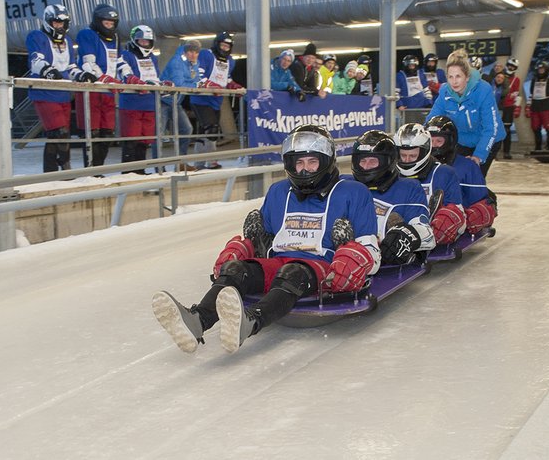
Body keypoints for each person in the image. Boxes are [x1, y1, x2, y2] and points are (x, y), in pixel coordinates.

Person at [151, 125, 380, 354]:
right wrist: (249, 245)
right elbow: (265, 240)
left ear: (326, 161)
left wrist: (353, 254)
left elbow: (371, 251)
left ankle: (250, 322)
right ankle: (198, 320)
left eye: (312, 162)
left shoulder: (354, 192)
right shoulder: (279, 192)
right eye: (298, 163)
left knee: (292, 273)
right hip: (279, 261)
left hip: (321, 268)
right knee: (235, 270)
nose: (304, 170)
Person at [349, 130, 436, 264]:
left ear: (387, 162)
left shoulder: (409, 187)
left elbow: (428, 235)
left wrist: (405, 235)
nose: (366, 167)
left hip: (386, 257)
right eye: (362, 161)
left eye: (372, 161)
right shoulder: (346, 185)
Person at [26, 4, 90, 172]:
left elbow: (71, 66)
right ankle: (59, 169)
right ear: (48, 22)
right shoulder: (37, 36)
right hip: (44, 92)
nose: (59, 26)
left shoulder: (68, 41)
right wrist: (47, 69)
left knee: (63, 134)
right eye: (56, 23)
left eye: (62, 23)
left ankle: (56, 170)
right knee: (58, 132)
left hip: (63, 94)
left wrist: (81, 74)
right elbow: (35, 59)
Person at [426, 49, 505, 177]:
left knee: (474, 176)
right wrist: (420, 133)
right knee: (454, 175)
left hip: (487, 139)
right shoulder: (444, 91)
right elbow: (432, 118)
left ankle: (484, 196)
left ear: (467, 77)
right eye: (450, 77)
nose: (454, 81)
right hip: (462, 141)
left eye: (458, 76)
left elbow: (490, 128)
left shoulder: (483, 90)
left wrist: (478, 156)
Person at [76, 3, 133, 167]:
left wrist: (129, 76)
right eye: (106, 23)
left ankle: (99, 168)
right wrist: (104, 78)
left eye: (112, 23)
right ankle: (90, 170)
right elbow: (88, 62)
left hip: (108, 92)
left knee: (107, 133)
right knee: (91, 133)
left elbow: (119, 60)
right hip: (91, 90)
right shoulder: (87, 34)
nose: (109, 26)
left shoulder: (115, 38)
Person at [392, 123, 466, 245]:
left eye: (412, 156)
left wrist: (442, 220)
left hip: (436, 226)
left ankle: (423, 235)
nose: (407, 160)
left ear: (424, 152)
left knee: (448, 216)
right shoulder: (391, 173)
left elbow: (457, 211)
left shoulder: (444, 172)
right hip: (405, 221)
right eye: (403, 155)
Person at [426, 116, 497, 235]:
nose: (434, 146)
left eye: (439, 141)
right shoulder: (419, 166)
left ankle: (442, 227)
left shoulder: (467, 166)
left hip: (457, 214)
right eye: (431, 141)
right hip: (423, 212)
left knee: (483, 208)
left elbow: (478, 198)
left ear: (449, 141)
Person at [189, 31, 243, 170]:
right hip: (201, 99)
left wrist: (232, 84)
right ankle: (212, 161)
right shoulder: (207, 54)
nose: (224, 48)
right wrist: (209, 84)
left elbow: (227, 77)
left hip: (216, 101)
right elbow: (197, 73)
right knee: (211, 128)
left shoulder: (231, 61)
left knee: (203, 132)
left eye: (227, 46)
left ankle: (198, 163)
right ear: (217, 44)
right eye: (222, 45)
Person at [118, 25, 166, 174]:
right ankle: (128, 172)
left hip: (149, 104)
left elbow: (155, 77)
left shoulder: (153, 58)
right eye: (142, 41)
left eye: (147, 42)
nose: (145, 44)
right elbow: (125, 76)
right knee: (131, 139)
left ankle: (140, 171)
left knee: (145, 140)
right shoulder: (126, 55)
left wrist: (162, 85)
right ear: (135, 40)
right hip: (131, 104)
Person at [156, 40, 199, 171]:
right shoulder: (176, 62)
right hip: (163, 101)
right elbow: (179, 83)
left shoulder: (194, 64)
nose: (193, 54)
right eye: (191, 51)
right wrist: (195, 85)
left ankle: (180, 162)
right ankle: (159, 166)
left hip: (176, 102)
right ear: (185, 51)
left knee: (186, 129)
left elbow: (195, 80)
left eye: (196, 52)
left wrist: (194, 83)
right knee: (159, 134)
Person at [526, 61, 549, 151]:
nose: (541, 71)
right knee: (535, 128)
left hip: (546, 106)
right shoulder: (534, 80)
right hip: (535, 107)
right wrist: (528, 106)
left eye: (542, 69)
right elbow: (531, 94)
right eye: (539, 69)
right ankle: (538, 146)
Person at [500, 58, 521, 159]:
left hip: (508, 107)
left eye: (513, 67)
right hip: (498, 105)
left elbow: (517, 93)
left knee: (506, 130)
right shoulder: (500, 76)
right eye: (509, 65)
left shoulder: (516, 79)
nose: (511, 68)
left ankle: (506, 151)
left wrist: (517, 107)